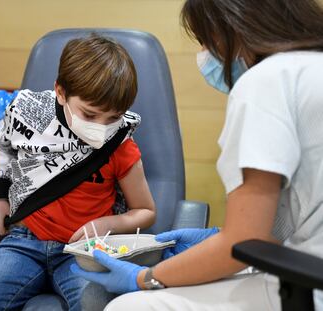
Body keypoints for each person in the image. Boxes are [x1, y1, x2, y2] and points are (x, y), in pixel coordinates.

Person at [71, 0, 323, 310]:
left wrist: (144, 277)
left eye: (204, 40)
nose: (205, 53)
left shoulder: (266, 81)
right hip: (303, 266)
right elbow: (303, 210)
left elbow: (243, 242)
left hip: (309, 283)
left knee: (126, 306)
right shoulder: (311, 69)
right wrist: (215, 236)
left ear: (229, 30)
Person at [0, 34, 156, 311]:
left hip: (84, 251)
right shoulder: (29, 115)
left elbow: (145, 211)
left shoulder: (120, 144)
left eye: (113, 118)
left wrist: (106, 224)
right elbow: (3, 148)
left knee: (98, 305)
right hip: (24, 240)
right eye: (89, 114)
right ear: (60, 92)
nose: (101, 128)